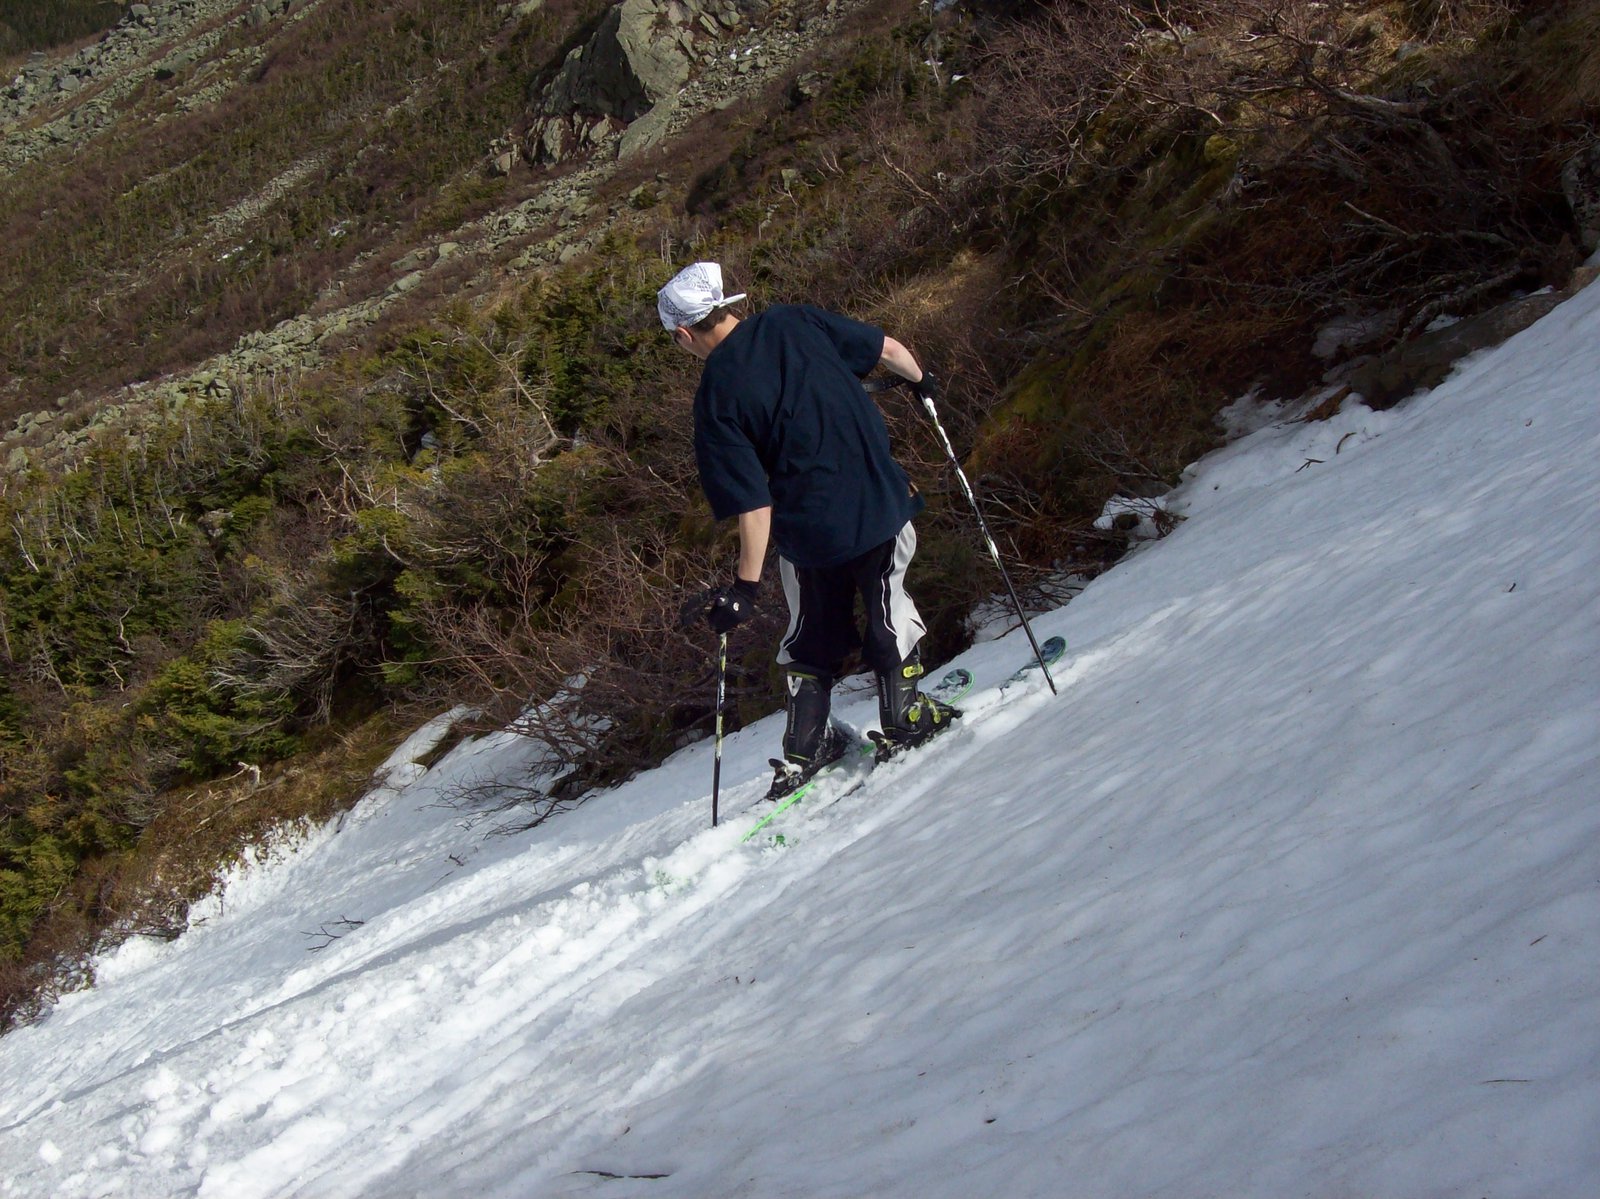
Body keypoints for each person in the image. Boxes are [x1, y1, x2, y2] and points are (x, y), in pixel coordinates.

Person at [658, 261, 959, 798]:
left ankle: (806, 746)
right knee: (887, 601)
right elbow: (888, 350)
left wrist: (745, 589)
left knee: (809, 631)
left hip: (808, 535)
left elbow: (753, 504)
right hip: (878, 502)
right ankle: (906, 715)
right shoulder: (795, 321)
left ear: (685, 333)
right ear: (730, 304)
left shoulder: (714, 397)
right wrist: (922, 382)